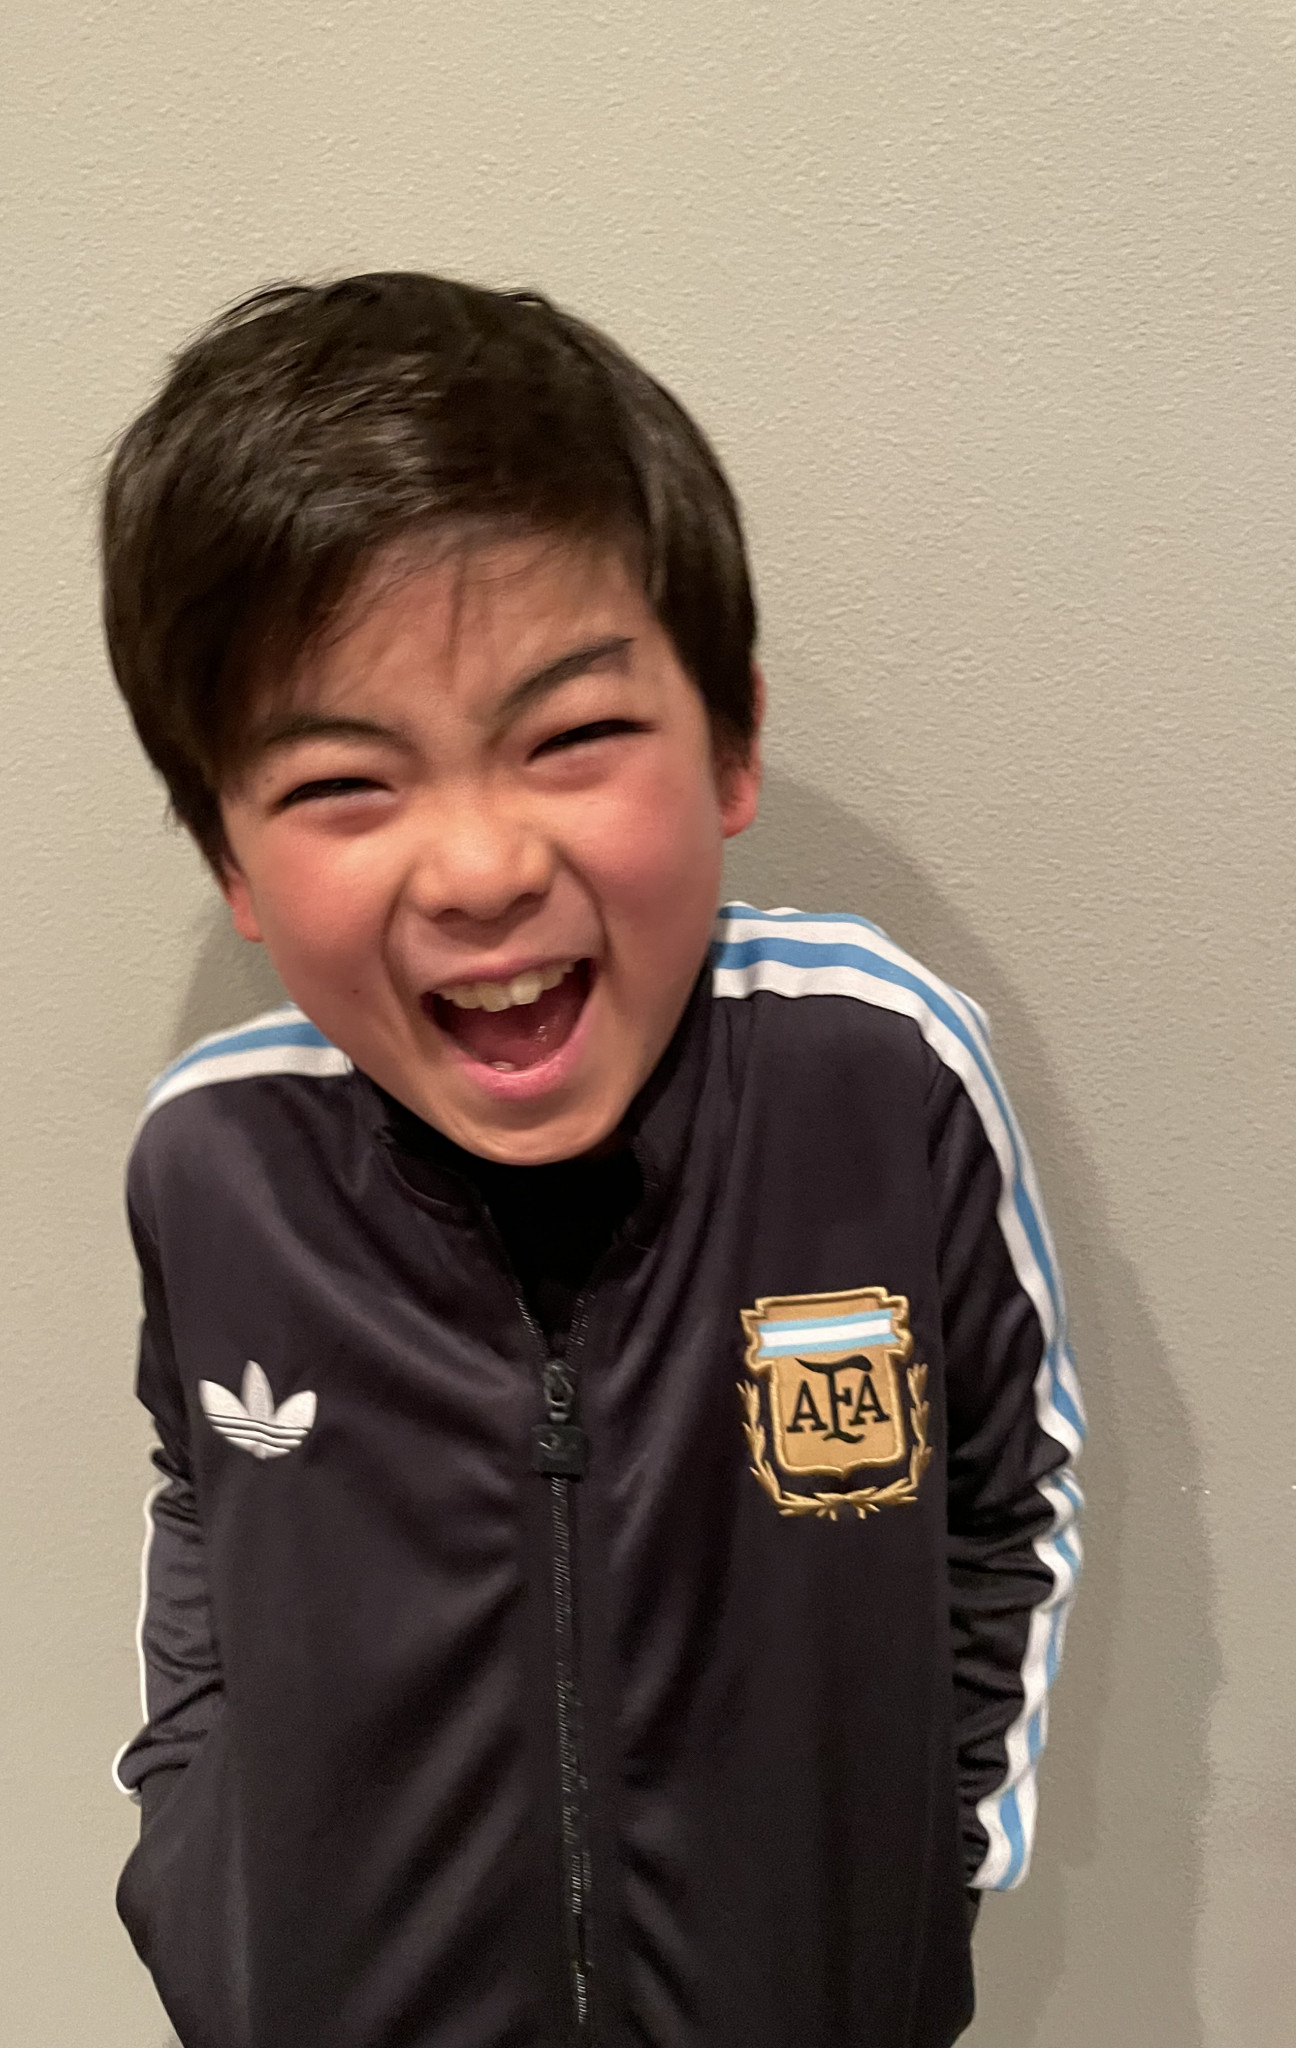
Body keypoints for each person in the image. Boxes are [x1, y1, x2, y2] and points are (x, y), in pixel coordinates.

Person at [100, 273, 1084, 2048]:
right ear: (231, 860)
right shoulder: (215, 1158)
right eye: (342, 783)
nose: (481, 868)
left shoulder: (879, 1075)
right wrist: (204, 1870)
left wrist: (911, 1891)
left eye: (570, 739)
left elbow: (1006, 1500)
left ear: (732, 744)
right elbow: (205, 1501)